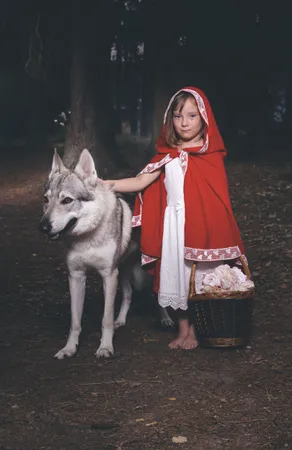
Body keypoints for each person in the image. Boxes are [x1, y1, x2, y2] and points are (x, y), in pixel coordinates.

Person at [104, 86, 245, 350]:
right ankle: (182, 328)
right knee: (179, 276)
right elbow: (139, 182)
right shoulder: (166, 155)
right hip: (174, 225)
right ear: (171, 120)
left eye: (192, 116)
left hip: (202, 225)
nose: (185, 122)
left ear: (204, 118)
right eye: (179, 116)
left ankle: (196, 330)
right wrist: (104, 184)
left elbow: (218, 200)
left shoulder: (210, 155)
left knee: (198, 276)